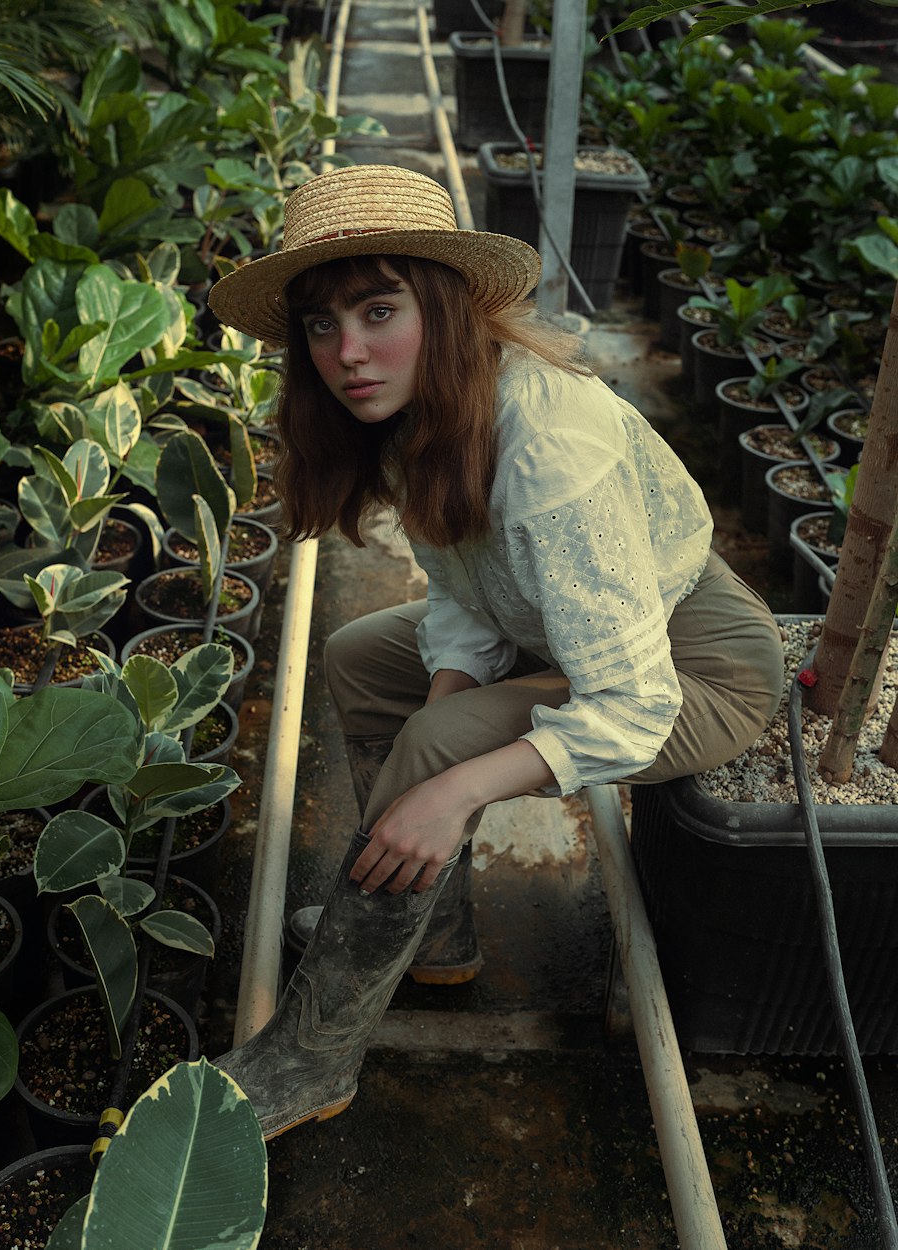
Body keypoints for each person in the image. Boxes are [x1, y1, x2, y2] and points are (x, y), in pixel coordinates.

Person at [206, 163, 784, 1140]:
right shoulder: (413, 410)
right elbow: (464, 592)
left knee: (451, 746)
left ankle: (309, 1057)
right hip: (558, 631)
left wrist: (451, 782)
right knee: (358, 655)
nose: (348, 352)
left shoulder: (548, 448)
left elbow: (633, 700)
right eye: (321, 324)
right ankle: (428, 919)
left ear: (444, 301)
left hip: (694, 670)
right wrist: (441, 709)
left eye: (379, 309)